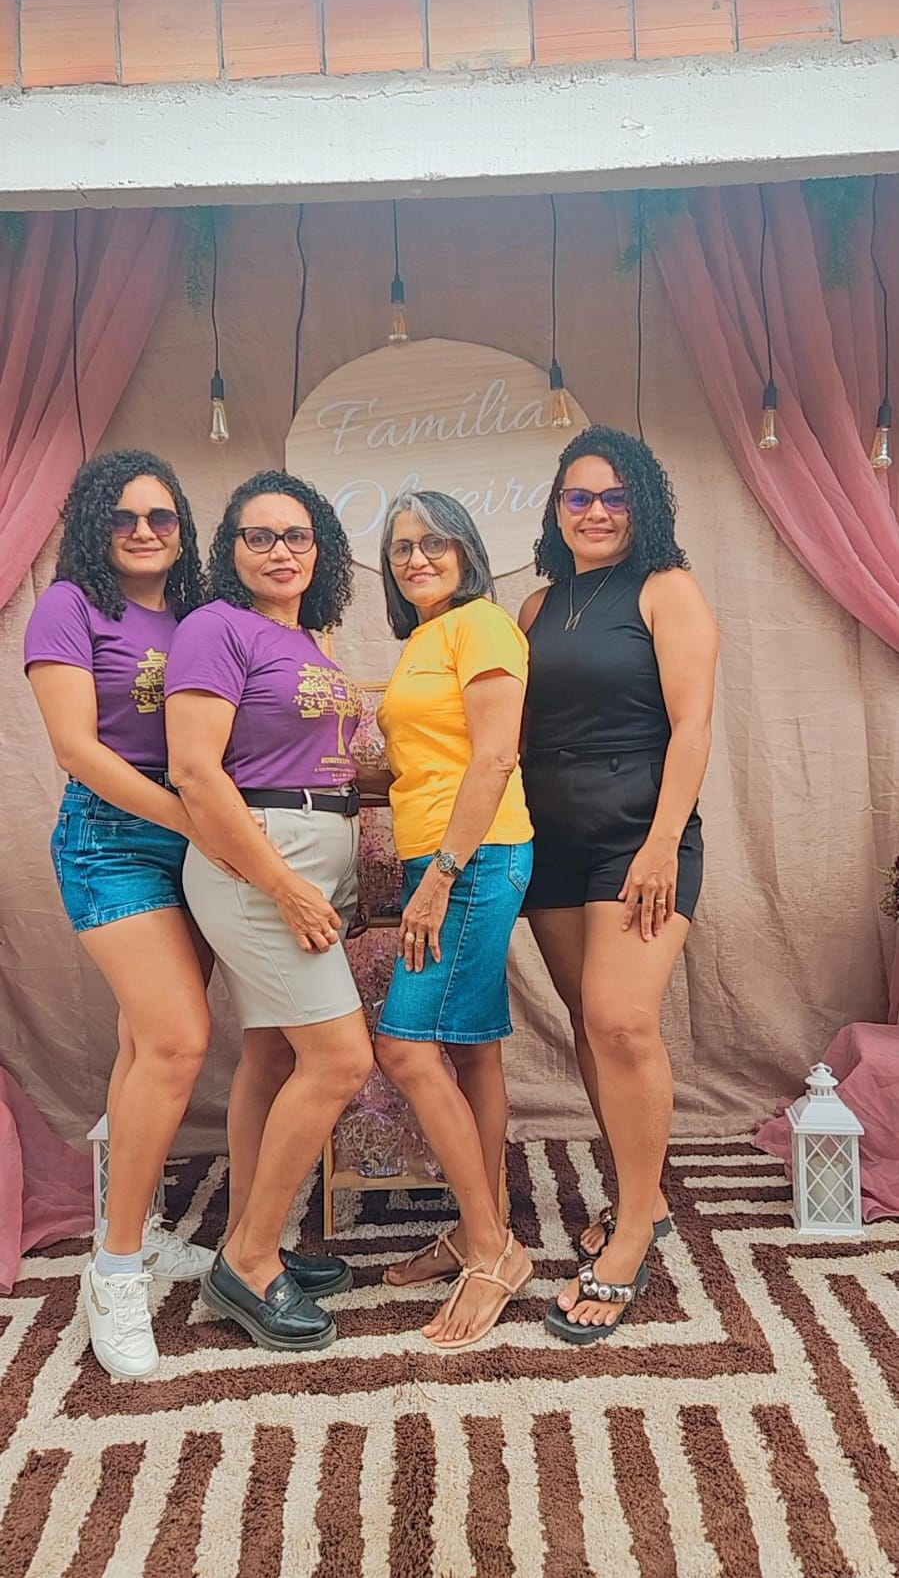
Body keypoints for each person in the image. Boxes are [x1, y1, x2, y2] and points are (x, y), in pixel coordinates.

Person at [164, 469, 373, 1354]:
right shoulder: (216, 626)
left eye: (296, 535)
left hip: (312, 853)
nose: (279, 550)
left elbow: (313, 755)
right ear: (232, 549)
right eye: (259, 536)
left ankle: (257, 1236)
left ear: (319, 548)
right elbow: (195, 768)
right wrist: (284, 884)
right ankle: (248, 1263)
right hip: (260, 863)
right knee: (339, 1058)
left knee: (272, 1053)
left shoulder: (308, 639)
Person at [519, 425, 718, 1344]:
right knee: (588, 1024)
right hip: (550, 842)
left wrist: (661, 842)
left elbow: (691, 726)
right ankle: (642, 1196)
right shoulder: (536, 605)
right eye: (578, 496)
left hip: (638, 836)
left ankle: (633, 1227)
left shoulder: (666, 588)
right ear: (557, 508)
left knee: (622, 1020)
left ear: (640, 505)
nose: (595, 511)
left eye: (613, 496)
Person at [24, 449, 218, 1381]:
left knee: (145, 1049)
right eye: (124, 517)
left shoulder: (199, 614)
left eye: (161, 517)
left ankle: (135, 1226)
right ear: (97, 525)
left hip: (199, 836)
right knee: (179, 1041)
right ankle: (115, 1272)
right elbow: (76, 747)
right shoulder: (69, 606)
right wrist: (192, 819)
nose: (143, 531)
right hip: (114, 837)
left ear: (183, 529)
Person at [373, 490, 534, 1351]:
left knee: (404, 1047)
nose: (416, 557)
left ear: (467, 550)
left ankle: (492, 1247)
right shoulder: (425, 637)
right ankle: (480, 1226)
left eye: (433, 541)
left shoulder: (482, 625)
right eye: (401, 546)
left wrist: (439, 875)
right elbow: (427, 758)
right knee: (472, 1049)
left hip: (468, 857)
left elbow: (497, 754)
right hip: (440, 852)